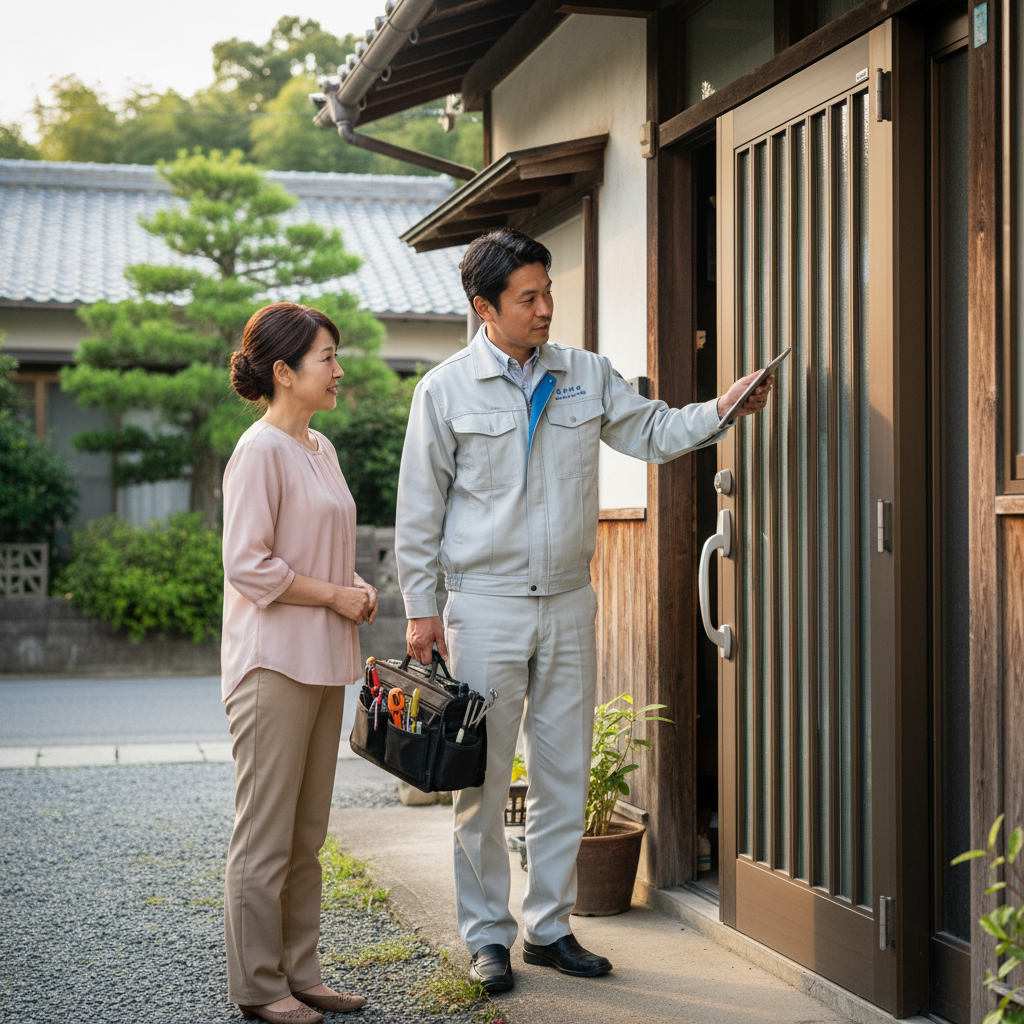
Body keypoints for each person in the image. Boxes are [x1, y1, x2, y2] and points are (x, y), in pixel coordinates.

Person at [394, 229, 771, 993]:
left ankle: (550, 928)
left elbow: (655, 431)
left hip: (569, 601)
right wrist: (420, 609)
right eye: (527, 297)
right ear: (485, 307)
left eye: (547, 291)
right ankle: (488, 937)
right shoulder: (443, 390)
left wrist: (722, 410)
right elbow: (418, 508)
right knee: (482, 784)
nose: (545, 308)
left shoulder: (585, 374)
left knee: (564, 774)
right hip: (485, 606)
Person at [221, 302, 378, 1024]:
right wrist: (336, 597)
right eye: (327, 358)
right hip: (273, 666)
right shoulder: (259, 450)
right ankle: (259, 985)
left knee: (307, 834)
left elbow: (323, 551)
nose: (339, 370)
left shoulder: (321, 448)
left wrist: (356, 589)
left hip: (322, 662)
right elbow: (247, 565)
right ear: (284, 372)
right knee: (265, 836)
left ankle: (301, 970)